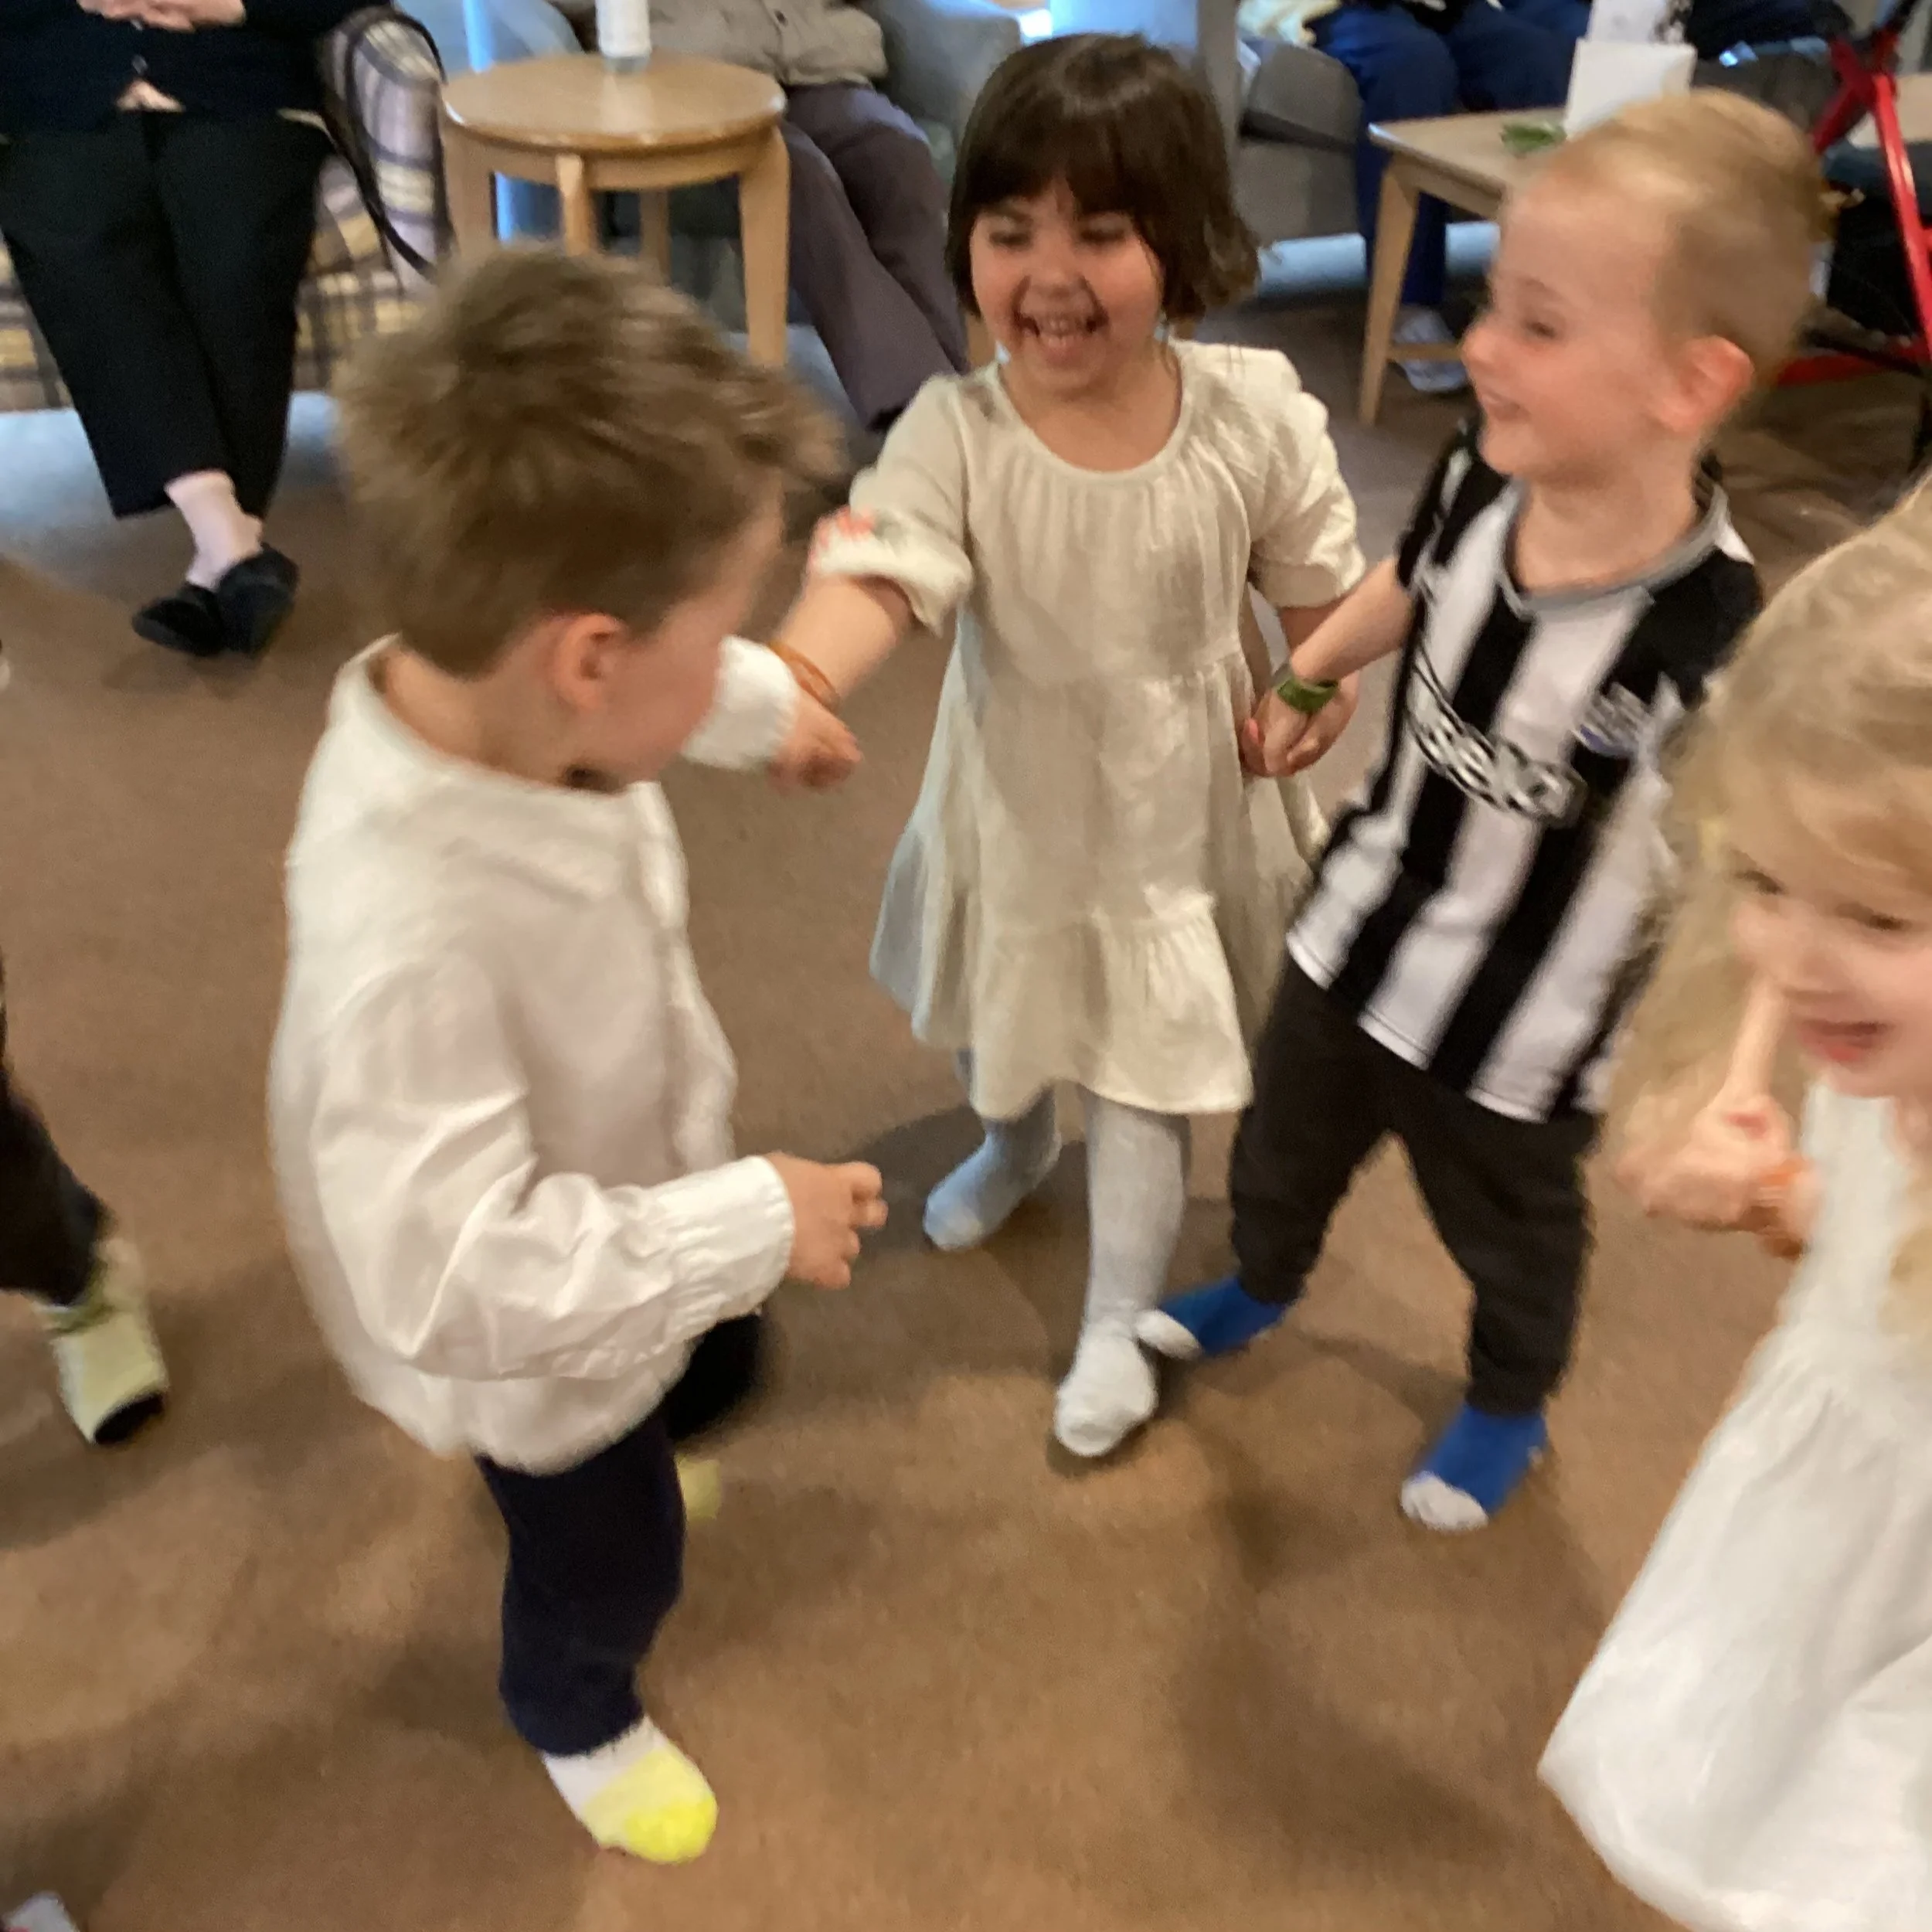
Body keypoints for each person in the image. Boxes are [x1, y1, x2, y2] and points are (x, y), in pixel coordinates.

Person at [1137, 92, 1826, 1529]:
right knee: (1279, 1145)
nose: (1484, 348)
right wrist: (1316, 669)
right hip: (1355, 931)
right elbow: (1416, 576)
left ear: (1690, 384)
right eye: (1493, 303)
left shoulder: (1705, 635)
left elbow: (1763, 870)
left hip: (1523, 1036)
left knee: (1511, 1235)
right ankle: (1263, 1274)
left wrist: (1738, 1073)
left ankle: (1510, 1396)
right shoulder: (1478, 471)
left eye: (1541, 325)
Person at [270, 251, 883, 1865]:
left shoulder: (487, 688)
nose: (737, 650)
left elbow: (649, 681)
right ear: (590, 659)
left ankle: (656, 1414)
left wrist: (752, 706)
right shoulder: (407, 941)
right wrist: (748, 1222)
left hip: (620, 1150)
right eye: (724, 628)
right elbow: (454, 1273)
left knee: (712, 1366)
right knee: (610, 1549)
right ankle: (572, 1702)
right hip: (525, 1324)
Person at [770, 35, 1366, 1461]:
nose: (1050, 273)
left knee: (1144, 1070)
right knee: (1009, 989)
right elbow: (884, 563)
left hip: (1175, 807)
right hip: (1020, 788)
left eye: (1100, 233)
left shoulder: (1250, 413)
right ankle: (1015, 1138)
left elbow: (1322, 602)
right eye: (1009, 230)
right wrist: (797, 671)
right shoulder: (955, 429)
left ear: (1185, 243)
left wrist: (1313, 687)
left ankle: (1115, 1319)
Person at [1539, 488, 1932, 1930]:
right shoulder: (1883, 1061)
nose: (1796, 958)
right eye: (1767, 881)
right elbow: (1880, 1273)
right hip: (1836, 1531)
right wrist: (1783, 1192)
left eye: (1878, 919)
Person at [0, 0, 360, 657]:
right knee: (78, 245)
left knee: (239, 258)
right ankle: (230, 541)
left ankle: (220, 555)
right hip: (64, 108)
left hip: (238, 99)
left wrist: (225, 6)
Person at [1241, 0, 1834, 396]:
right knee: (1412, 66)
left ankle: (1583, 276)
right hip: (1335, 7)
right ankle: (1410, 303)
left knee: (1544, 63)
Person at [652, 0, 970, 434]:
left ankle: (962, 399)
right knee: (797, 173)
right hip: (708, 82)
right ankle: (922, 415)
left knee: (899, 155)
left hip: (820, 71)